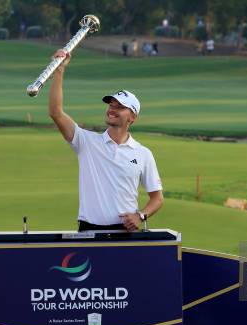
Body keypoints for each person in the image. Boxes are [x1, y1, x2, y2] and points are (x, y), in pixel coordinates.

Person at [48, 49, 164, 232]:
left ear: (132, 117)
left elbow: (157, 198)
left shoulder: (143, 154)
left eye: (120, 107)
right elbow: (56, 112)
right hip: (88, 231)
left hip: (125, 233)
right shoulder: (86, 141)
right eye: (111, 105)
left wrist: (140, 216)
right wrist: (59, 71)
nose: (112, 109)